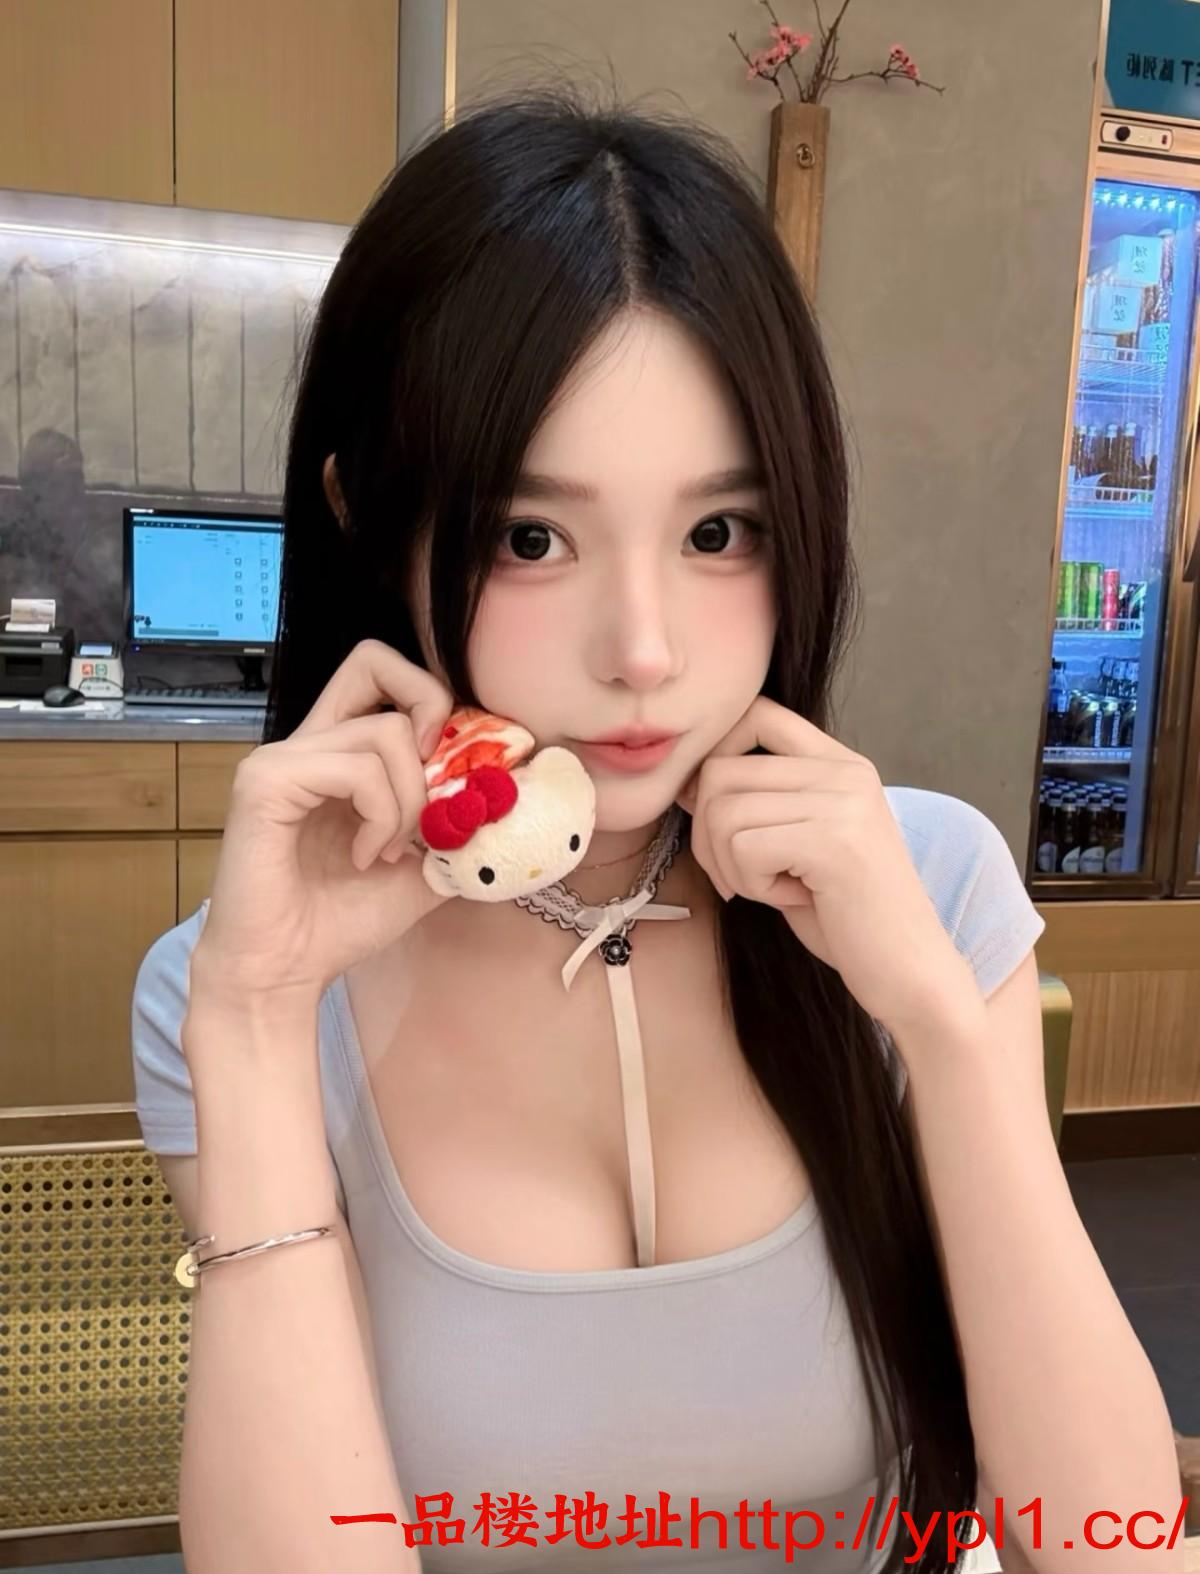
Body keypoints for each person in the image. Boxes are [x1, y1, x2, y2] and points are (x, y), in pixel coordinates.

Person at [130, 84, 1182, 1574]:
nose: (645, 651)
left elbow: (1110, 1545)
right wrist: (250, 1022)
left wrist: (942, 1030)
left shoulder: (925, 881)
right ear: (370, 519)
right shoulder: (235, 992)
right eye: (531, 537)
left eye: (716, 533)